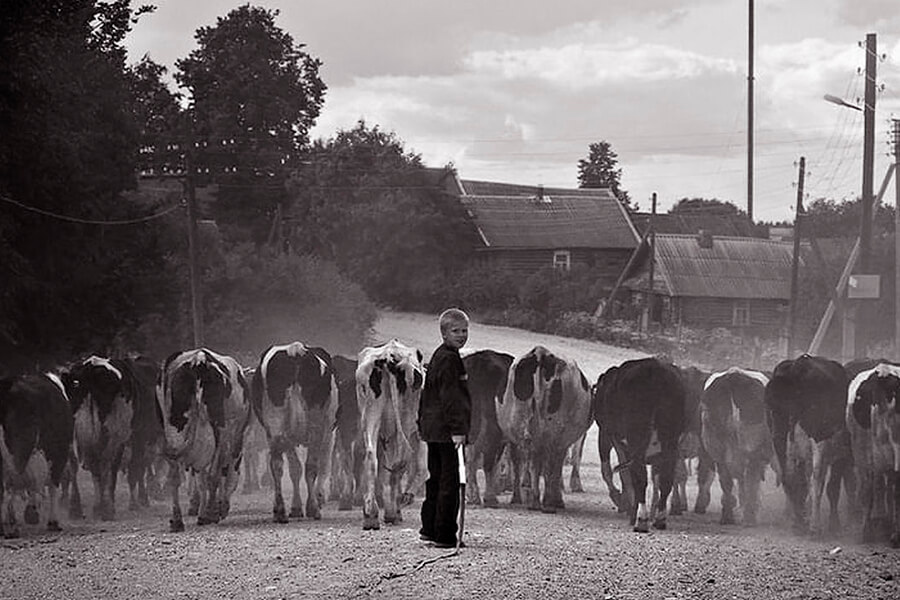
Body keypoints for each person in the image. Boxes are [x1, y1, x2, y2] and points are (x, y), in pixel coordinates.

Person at [417, 308, 472, 549]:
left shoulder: (440, 355)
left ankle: (429, 528)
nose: (461, 335)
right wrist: (458, 429)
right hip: (447, 430)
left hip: (433, 429)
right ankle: (445, 535)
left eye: (464, 330)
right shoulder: (450, 359)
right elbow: (452, 398)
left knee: (436, 478)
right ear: (443, 333)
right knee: (450, 481)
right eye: (455, 331)